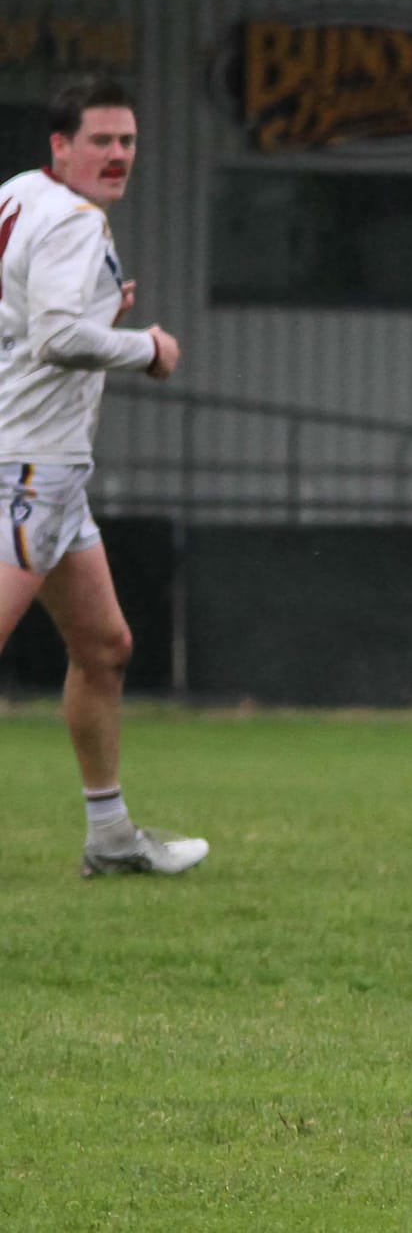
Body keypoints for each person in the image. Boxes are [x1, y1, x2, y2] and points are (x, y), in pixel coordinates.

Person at [0, 77, 204, 877]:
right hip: (32, 464)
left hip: (46, 464)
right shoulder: (75, 220)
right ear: (61, 145)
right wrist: (146, 347)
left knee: (106, 647)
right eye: (100, 141)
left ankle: (112, 839)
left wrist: (94, 320)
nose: (118, 155)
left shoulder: (20, 194)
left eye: (127, 141)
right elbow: (54, 338)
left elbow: (29, 323)